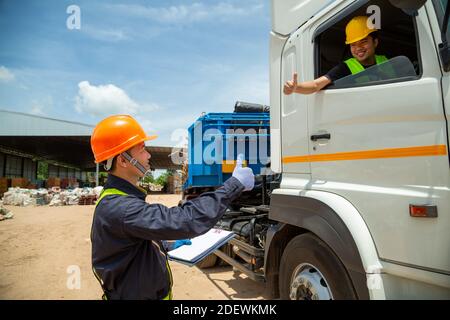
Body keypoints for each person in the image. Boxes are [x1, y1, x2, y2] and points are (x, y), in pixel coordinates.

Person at [90, 114, 255, 300]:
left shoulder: (116, 199)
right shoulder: (122, 208)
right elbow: (184, 220)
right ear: (122, 160)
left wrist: (165, 244)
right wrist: (234, 184)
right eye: (142, 149)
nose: (149, 155)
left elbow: (130, 241)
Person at [284, 16, 389, 95]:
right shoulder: (346, 67)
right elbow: (316, 85)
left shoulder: (386, 60)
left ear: (375, 42)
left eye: (363, 41)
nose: (358, 48)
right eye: (353, 44)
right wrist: (296, 88)